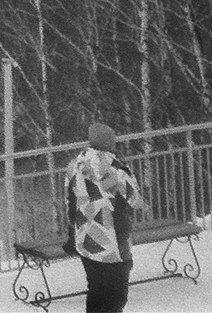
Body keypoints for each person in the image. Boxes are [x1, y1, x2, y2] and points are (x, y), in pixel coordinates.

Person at [65, 121, 141, 312]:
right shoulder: (113, 168)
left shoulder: (74, 164)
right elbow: (134, 199)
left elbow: (69, 200)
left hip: (85, 237)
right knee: (116, 296)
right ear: (109, 142)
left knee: (96, 290)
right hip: (112, 241)